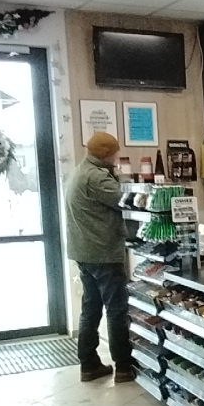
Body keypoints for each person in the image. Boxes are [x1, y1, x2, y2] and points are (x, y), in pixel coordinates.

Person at [65, 132, 134, 383]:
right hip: (103, 252)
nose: (117, 157)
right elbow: (124, 200)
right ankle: (123, 366)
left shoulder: (79, 171)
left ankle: (89, 364)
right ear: (107, 154)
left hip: (84, 252)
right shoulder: (97, 177)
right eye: (115, 153)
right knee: (117, 310)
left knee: (91, 308)